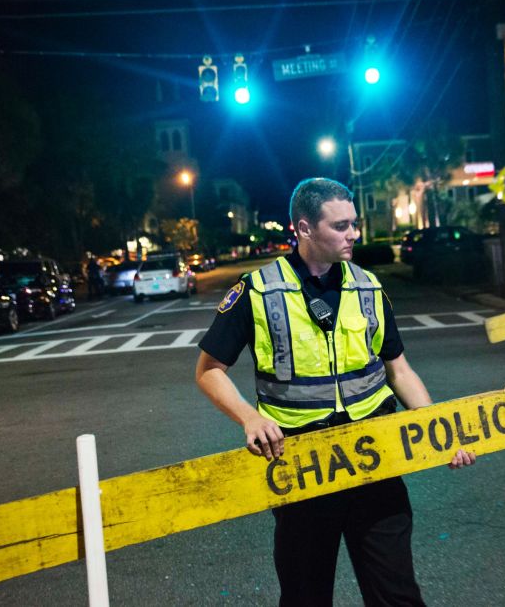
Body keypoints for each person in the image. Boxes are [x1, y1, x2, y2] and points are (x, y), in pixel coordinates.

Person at [195, 177, 475, 606]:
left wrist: (439, 429)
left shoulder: (368, 286)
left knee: (397, 595)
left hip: (375, 460)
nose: (355, 234)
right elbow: (209, 370)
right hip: (303, 468)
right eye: (341, 226)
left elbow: (398, 370)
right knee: (306, 596)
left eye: (355, 223)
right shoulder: (257, 291)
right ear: (304, 229)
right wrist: (249, 418)